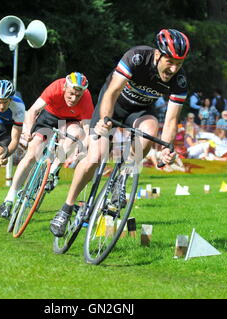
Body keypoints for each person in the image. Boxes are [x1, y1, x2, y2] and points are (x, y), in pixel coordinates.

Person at [49, 28, 190, 237]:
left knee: (151, 129)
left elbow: (170, 120)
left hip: (139, 111)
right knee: (96, 156)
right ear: (158, 54)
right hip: (113, 104)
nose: (173, 69)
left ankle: (123, 177)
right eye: (170, 61)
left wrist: (166, 148)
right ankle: (66, 207)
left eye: (179, 64)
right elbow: (112, 91)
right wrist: (105, 121)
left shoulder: (180, 81)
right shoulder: (137, 57)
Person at [0, 72, 94, 218]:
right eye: (71, 94)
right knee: (31, 155)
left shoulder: (86, 98)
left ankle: (53, 172)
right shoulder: (55, 87)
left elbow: (87, 131)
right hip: (49, 117)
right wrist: (28, 130)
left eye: (77, 96)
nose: (73, 99)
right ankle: (9, 199)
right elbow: (33, 111)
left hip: (69, 121)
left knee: (76, 132)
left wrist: (83, 150)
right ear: (65, 87)